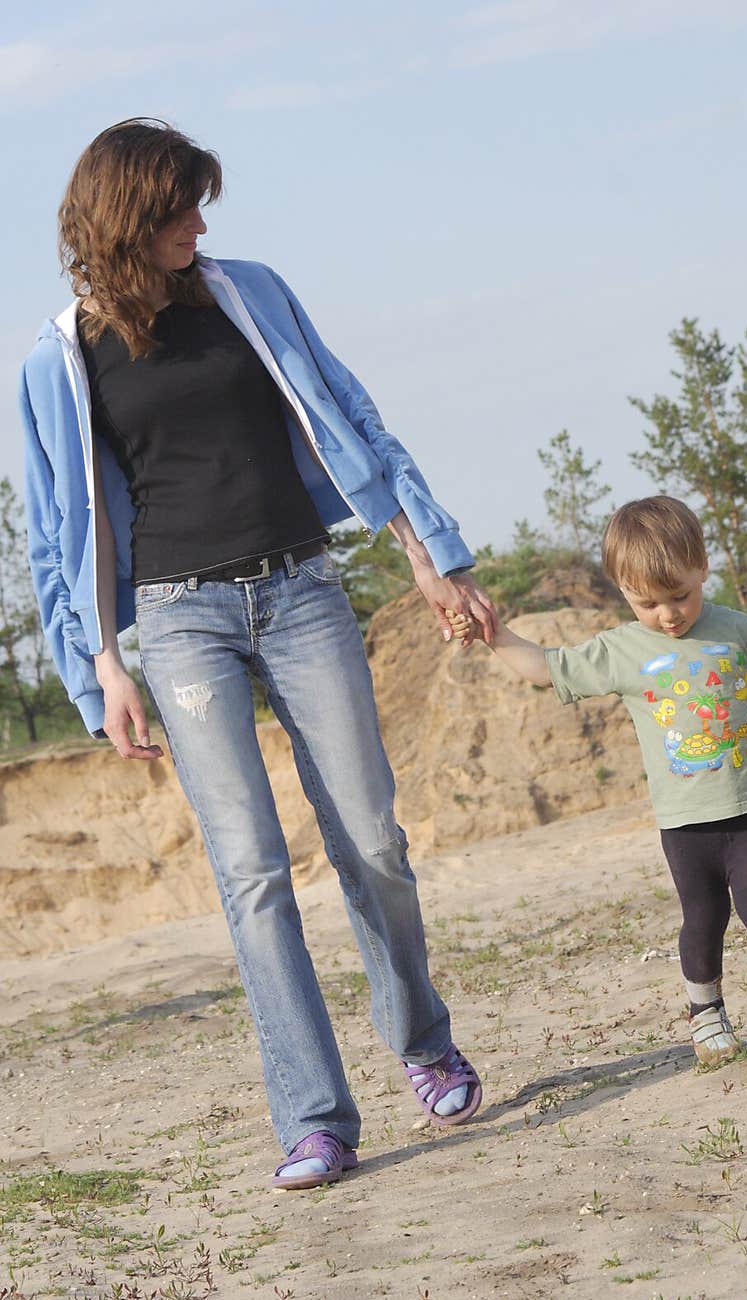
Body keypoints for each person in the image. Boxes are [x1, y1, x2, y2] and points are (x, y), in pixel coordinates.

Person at [19, 118, 494, 1190]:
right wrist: (98, 666)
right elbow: (58, 533)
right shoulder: (58, 362)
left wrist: (429, 553)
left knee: (371, 837)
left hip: (301, 588)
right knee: (252, 871)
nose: (199, 223)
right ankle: (316, 1117)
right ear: (128, 218)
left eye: (201, 205)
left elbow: (350, 418)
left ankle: (423, 1041)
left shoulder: (253, 295)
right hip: (180, 619)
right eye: (180, 207)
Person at [449, 496, 747, 1065]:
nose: (669, 614)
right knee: (705, 917)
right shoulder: (621, 649)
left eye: (680, 595)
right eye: (648, 602)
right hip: (684, 823)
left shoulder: (737, 629)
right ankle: (707, 1015)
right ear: (622, 589)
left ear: (703, 568)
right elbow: (547, 668)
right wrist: (493, 636)